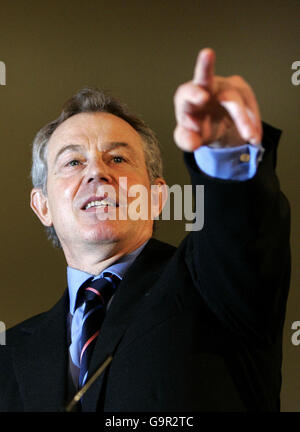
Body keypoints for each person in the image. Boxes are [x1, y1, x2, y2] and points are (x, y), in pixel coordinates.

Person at [0, 48, 290, 411]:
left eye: (118, 158)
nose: (96, 173)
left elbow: (242, 232)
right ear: (43, 206)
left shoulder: (212, 284)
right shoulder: (8, 353)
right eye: (73, 161)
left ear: (155, 197)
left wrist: (225, 151)